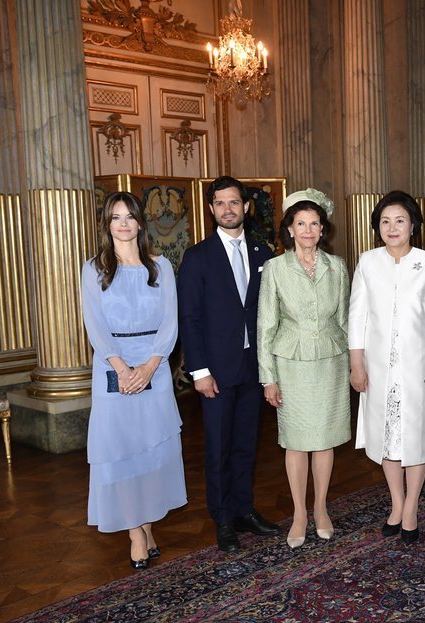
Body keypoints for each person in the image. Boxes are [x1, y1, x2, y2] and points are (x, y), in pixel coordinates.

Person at [80, 191, 186, 570]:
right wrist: (124, 370)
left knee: (152, 450)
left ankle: (147, 520)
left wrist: (149, 367)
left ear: (141, 222)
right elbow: (96, 327)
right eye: (115, 217)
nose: (123, 223)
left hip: (154, 368)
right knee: (121, 450)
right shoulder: (93, 269)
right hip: (113, 369)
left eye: (129, 216)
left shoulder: (160, 267)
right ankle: (135, 532)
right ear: (107, 225)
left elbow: (170, 324)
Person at [178, 175, 281, 553]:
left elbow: (271, 314)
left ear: (246, 207)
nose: (227, 209)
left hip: (253, 369)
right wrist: (200, 371)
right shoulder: (197, 257)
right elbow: (188, 318)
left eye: (233, 202)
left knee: (246, 445)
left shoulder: (263, 254)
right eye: (220, 203)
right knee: (218, 447)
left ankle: (244, 510)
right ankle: (222, 518)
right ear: (211, 209)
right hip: (215, 373)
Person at [349, 191, 425, 544]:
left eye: (400, 221)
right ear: (377, 226)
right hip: (377, 367)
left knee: (416, 437)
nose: (392, 227)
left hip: (418, 366)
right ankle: (396, 502)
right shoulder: (367, 262)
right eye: (385, 221)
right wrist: (356, 363)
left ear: (413, 226)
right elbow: (356, 315)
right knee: (386, 436)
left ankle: (412, 508)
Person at [257, 188, 351, 549]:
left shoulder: (337, 266)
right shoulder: (276, 268)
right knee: (296, 443)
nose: (308, 230)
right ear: (290, 229)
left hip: (330, 360)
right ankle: (299, 512)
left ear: (323, 230)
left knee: (324, 441)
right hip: (291, 362)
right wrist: (269, 377)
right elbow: (265, 325)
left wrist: (353, 365)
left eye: (315, 224)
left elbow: (344, 319)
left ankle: (321, 507)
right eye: (301, 224)